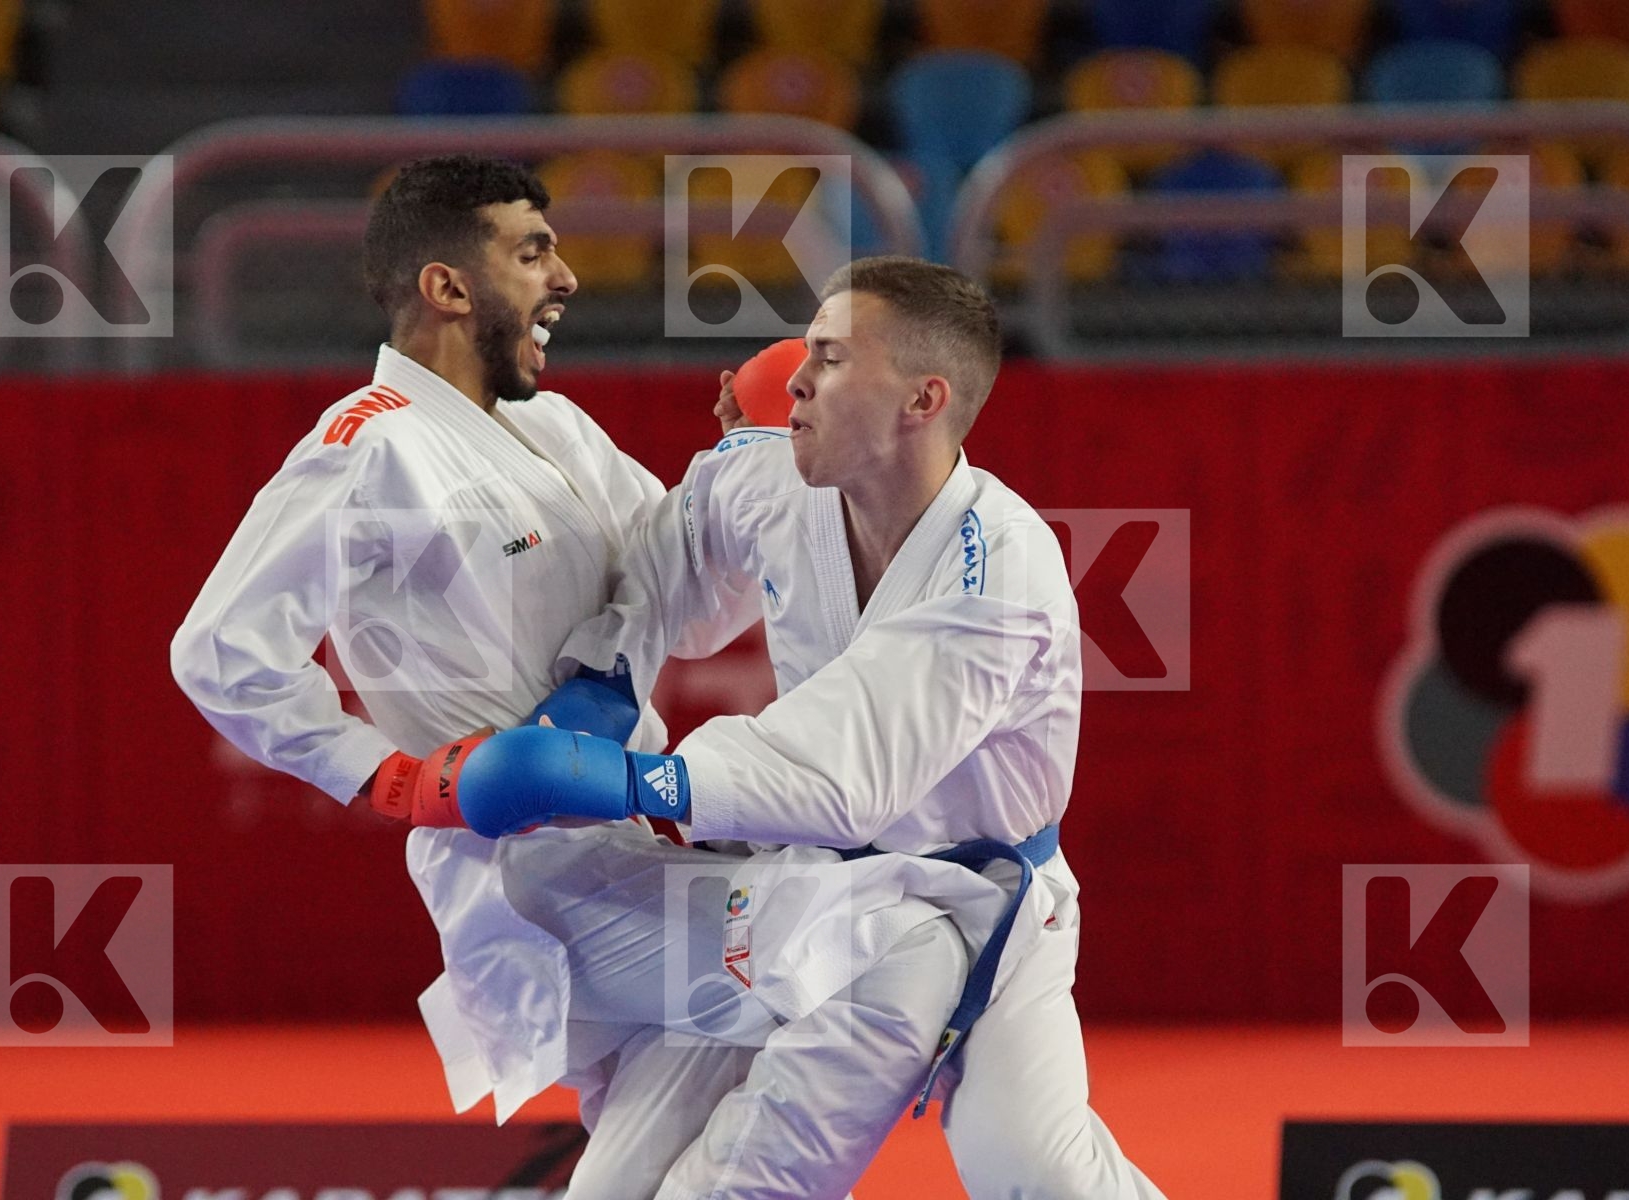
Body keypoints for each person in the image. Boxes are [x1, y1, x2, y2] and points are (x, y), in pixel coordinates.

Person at [169, 155, 980, 1199]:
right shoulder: (367, 447)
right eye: (532, 251)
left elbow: (687, 607)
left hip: (646, 844)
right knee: (883, 939)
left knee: (661, 1149)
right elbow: (219, 653)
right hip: (535, 880)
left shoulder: (554, 428)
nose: (566, 279)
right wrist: (398, 782)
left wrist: (745, 473)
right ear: (448, 288)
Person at [460, 256, 1169, 1199]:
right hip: (799, 901)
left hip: (974, 906)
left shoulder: (998, 572)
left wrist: (628, 780)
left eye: (829, 357)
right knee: (615, 1187)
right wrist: (609, 673)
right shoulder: (778, 478)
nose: (792, 374)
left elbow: (844, 779)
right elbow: (681, 556)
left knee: (1040, 1179)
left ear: (922, 399)